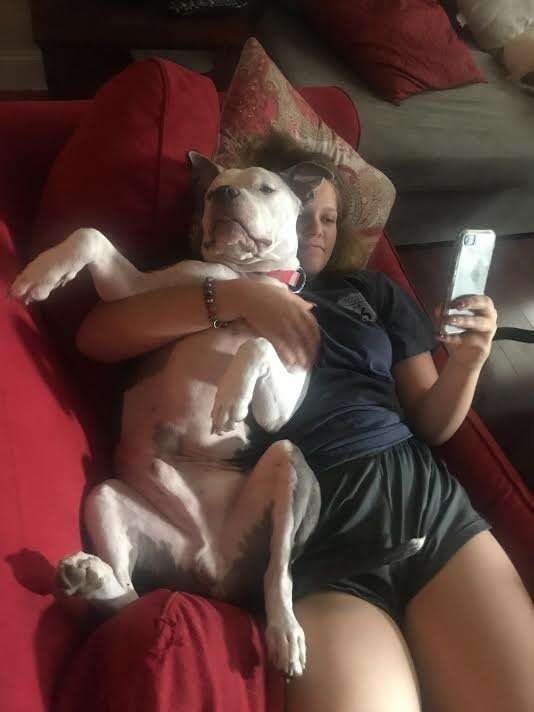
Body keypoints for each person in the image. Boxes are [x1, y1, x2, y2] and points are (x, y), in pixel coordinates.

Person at [75, 166, 534, 712]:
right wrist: (243, 299)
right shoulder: (212, 279)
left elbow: (433, 424)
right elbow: (98, 336)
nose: (315, 227)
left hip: (423, 503)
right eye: (304, 210)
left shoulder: (371, 291)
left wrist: (471, 362)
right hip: (314, 540)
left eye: (330, 218)